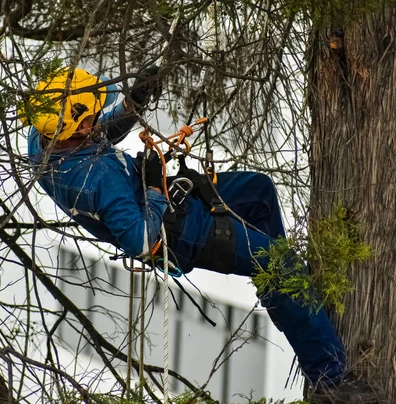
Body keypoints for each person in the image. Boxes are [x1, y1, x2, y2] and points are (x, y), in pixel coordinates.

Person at [21, 66, 382, 403]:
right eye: (90, 118)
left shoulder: (42, 143)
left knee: (258, 192)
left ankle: (287, 298)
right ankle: (330, 382)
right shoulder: (100, 180)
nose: (96, 121)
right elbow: (141, 241)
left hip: (174, 201)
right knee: (280, 263)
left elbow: (96, 132)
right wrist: (152, 188)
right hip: (181, 234)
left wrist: (132, 106)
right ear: (75, 127)